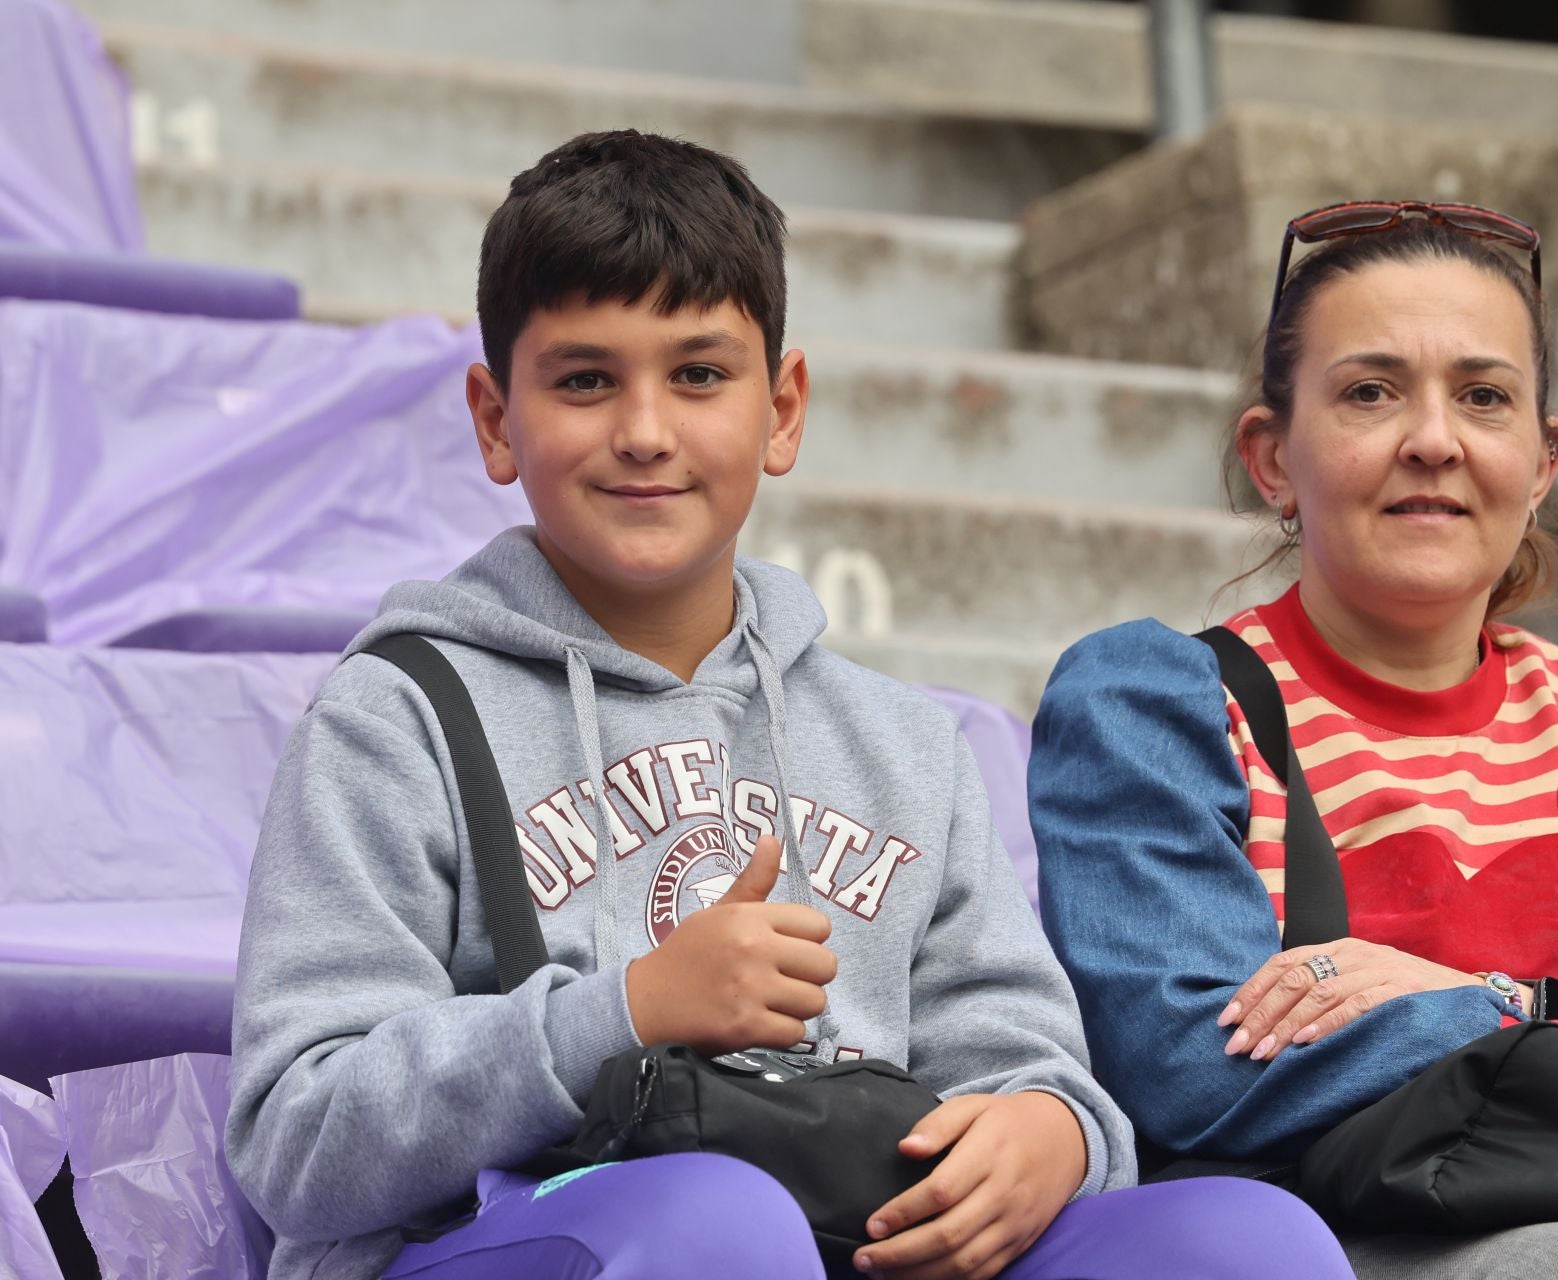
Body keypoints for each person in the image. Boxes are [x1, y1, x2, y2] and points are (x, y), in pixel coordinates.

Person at [224, 131, 1353, 1280]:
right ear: (495, 418)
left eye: (700, 373)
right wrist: (621, 1011)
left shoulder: (905, 740)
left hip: (850, 1238)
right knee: (720, 1224)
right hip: (516, 1241)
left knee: (1246, 1241)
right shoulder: (395, 717)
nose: (647, 429)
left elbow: (1021, 1052)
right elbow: (293, 1134)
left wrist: (1049, 1129)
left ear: (784, 408)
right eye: (583, 378)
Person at [1026, 203, 1558, 1279]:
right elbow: (1194, 1061)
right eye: (1370, 391)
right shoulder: (1156, 703)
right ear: (1271, 458)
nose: (1433, 438)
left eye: (1484, 396)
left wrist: (1465, 1004)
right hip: (1304, 1234)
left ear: (1544, 460)